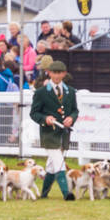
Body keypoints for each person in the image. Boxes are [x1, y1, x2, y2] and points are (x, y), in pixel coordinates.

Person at [30, 59, 77, 200]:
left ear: (64, 74)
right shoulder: (41, 92)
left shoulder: (71, 91)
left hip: (63, 133)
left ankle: (44, 193)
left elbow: (75, 110)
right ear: (49, 73)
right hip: (49, 134)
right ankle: (66, 193)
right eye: (54, 73)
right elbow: (34, 113)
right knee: (58, 161)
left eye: (59, 73)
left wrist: (71, 118)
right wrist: (45, 119)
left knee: (51, 166)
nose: (56, 76)